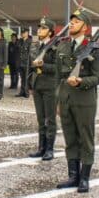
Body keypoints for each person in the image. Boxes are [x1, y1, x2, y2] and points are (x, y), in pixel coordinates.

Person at [55, 9, 99, 193]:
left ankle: (84, 177)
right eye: (71, 21)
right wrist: (58, 100)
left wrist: (81, 81)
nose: (72, 23)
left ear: (85, 27)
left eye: (76, 21)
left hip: (84, 99)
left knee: (85, 138)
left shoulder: (93, 48)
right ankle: (73, 176)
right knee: (70, 138)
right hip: (66, 98)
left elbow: (97, 77)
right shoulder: (63, 46)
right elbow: (58, 77)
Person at [28, 17, 58, 160]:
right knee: (41, 119)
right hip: (37, 85)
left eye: (44, 28)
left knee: (50, 119)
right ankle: (41, 148)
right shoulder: (35, 46)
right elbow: (30, 66)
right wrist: (29, 84)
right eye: (39, 27)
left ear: (50, 32)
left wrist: (43, 65)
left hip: (50, 86)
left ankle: (50, 149)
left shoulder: (55, 47)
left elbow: (58, 68)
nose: (40, 30)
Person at [16, 29, 31, 98]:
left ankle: (26, 93)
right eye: (22, 33)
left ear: (27, 33)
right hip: (20, 62)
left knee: (27, 78)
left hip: (27, 63)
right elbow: (18, 51)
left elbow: (30, 53)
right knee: (22, 78)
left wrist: (30, 63)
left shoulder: (30, 41)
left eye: (24, 33)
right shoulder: (20, 41)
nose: (22, 34)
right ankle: (22, 92)